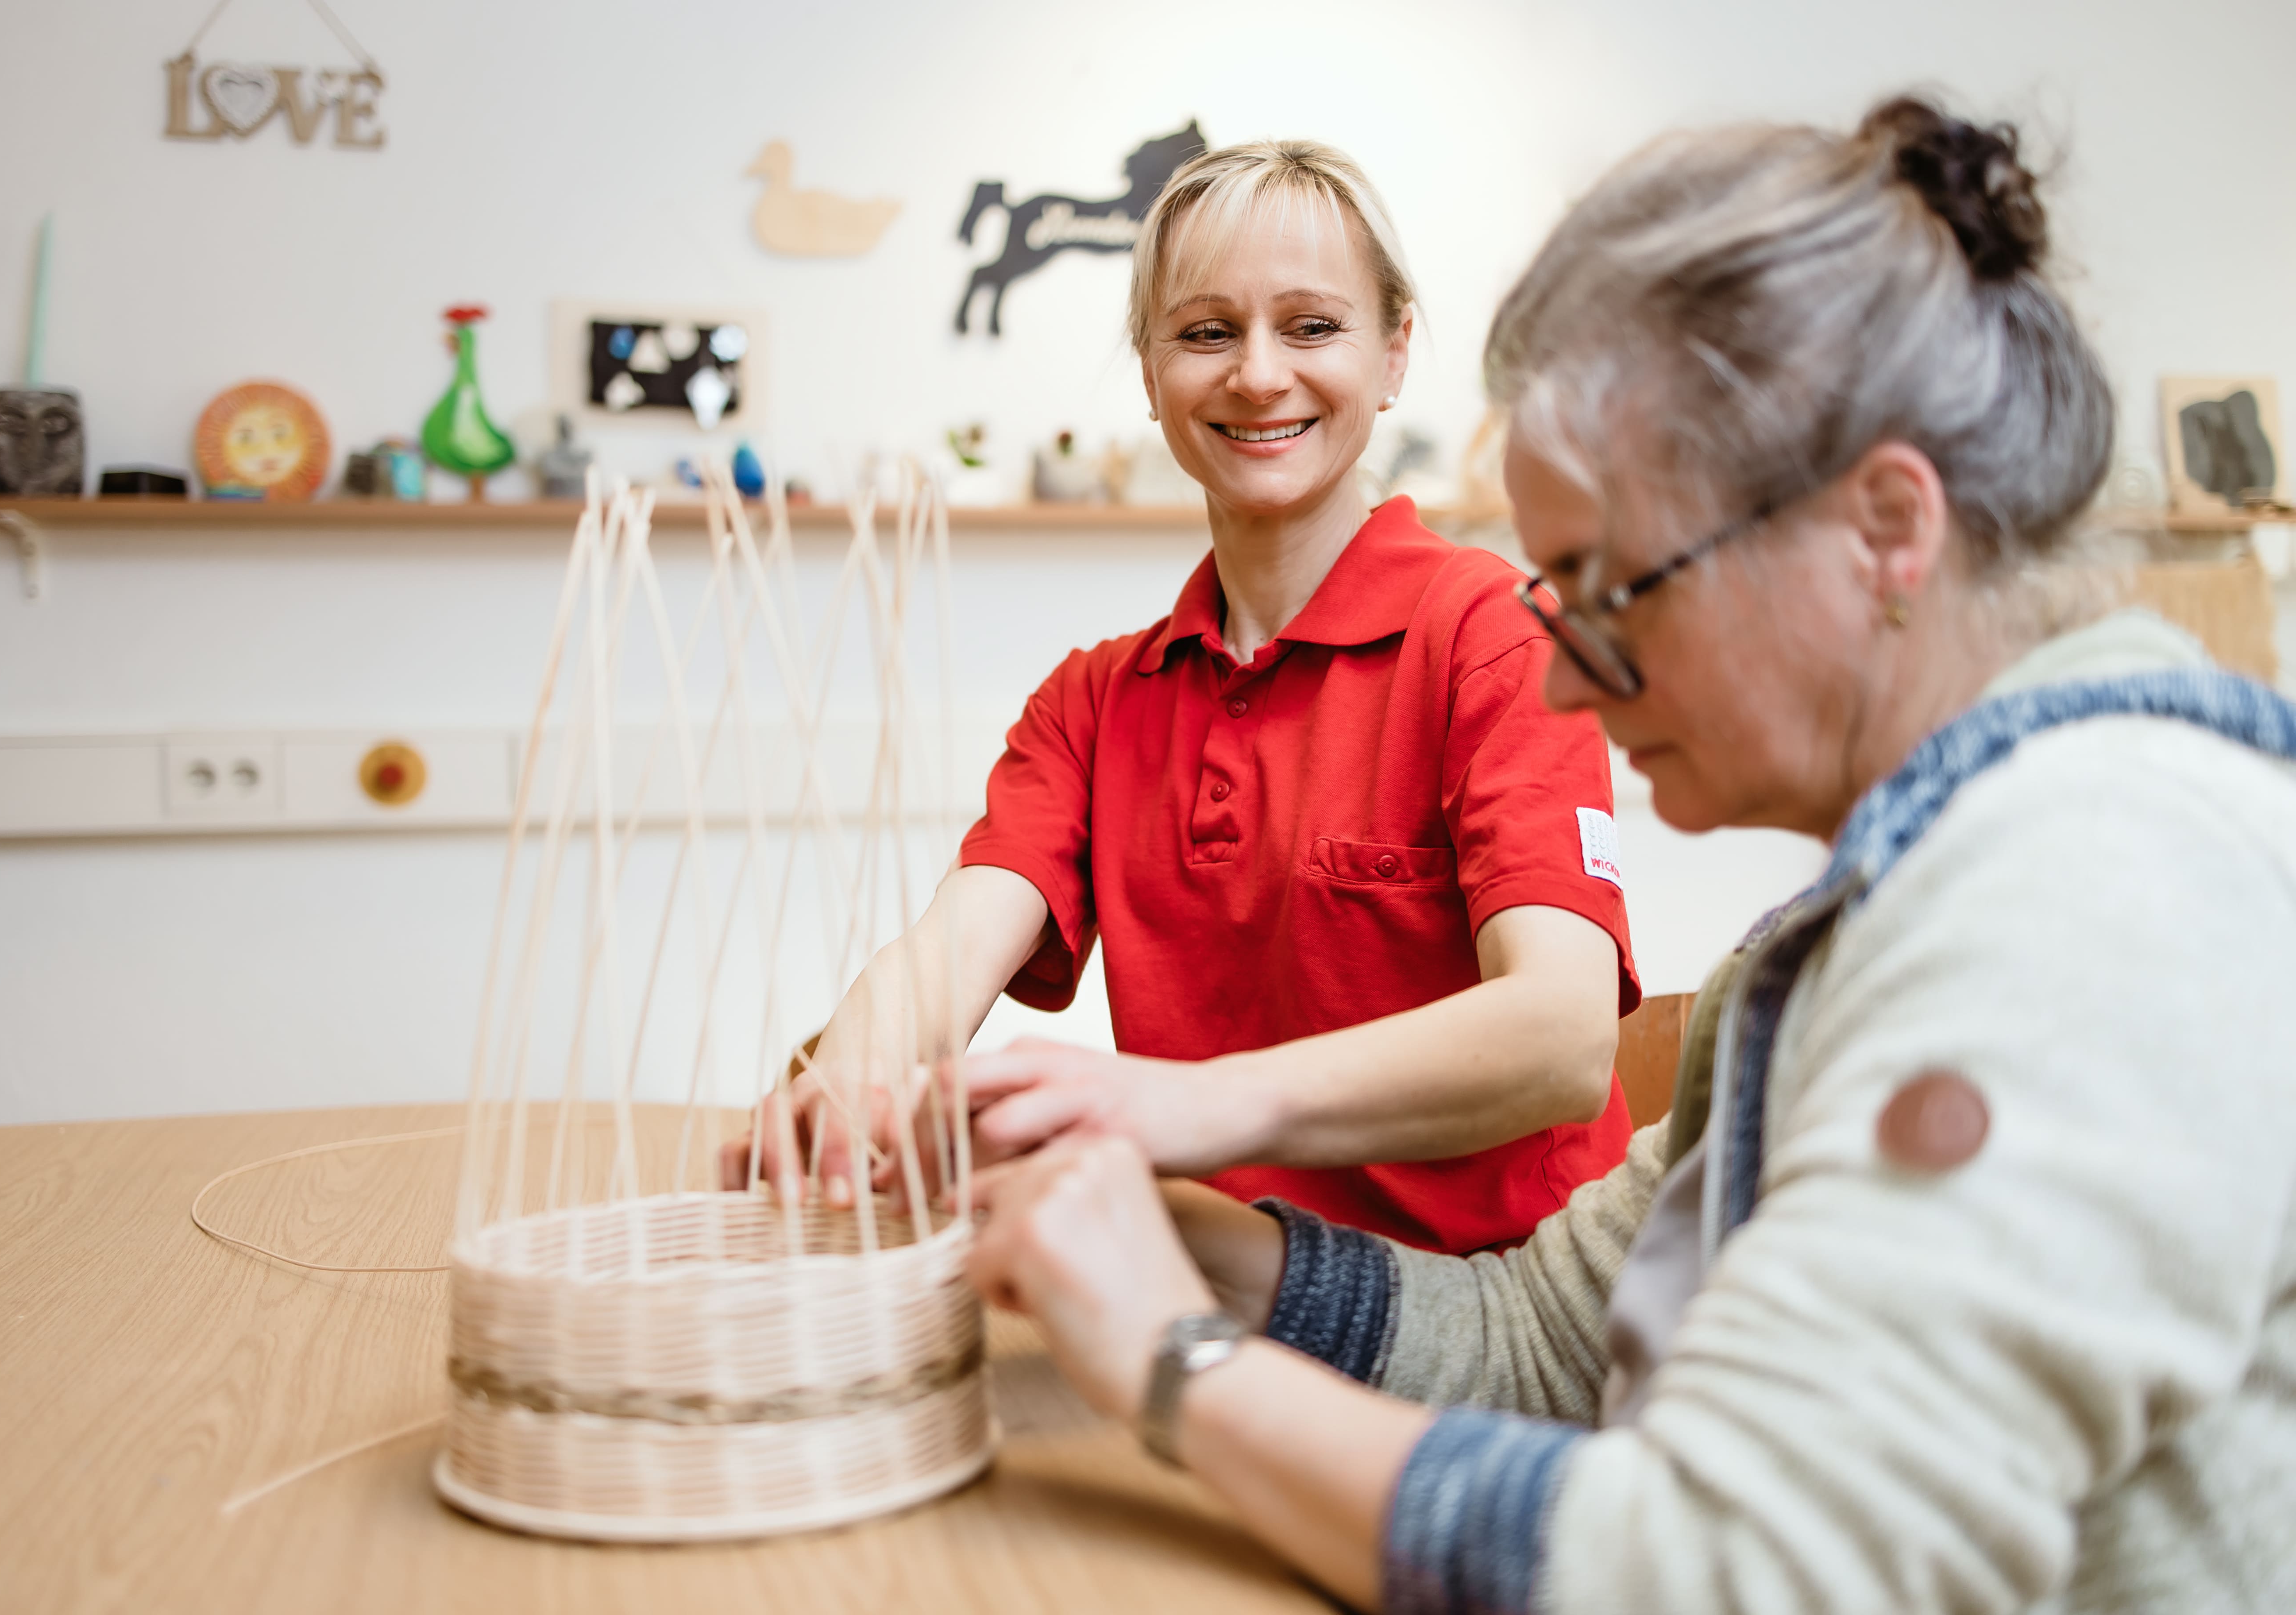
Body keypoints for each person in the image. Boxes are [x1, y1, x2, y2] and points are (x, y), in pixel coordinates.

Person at [965, 97, 2296, 1613]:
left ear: (1884, 531)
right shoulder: (1858, 923)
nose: (1565, 681)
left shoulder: (2098, 894)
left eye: (1612, 589)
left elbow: (1726, 1567)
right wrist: (1208, 1253)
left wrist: (1172, 1356)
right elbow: (1548, 1336)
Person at [726, 139, 1642, 1256]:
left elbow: (1561, 1039)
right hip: (1231, 1288)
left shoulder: (1493, 636)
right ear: (1153, 373)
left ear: (1395, 354)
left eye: (1311, 327)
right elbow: (949, 951)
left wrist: (1170, 1110)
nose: (1259, 375)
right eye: (1207, 332)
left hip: (1509, 1316)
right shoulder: (1095, 701)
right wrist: (846, 1078)